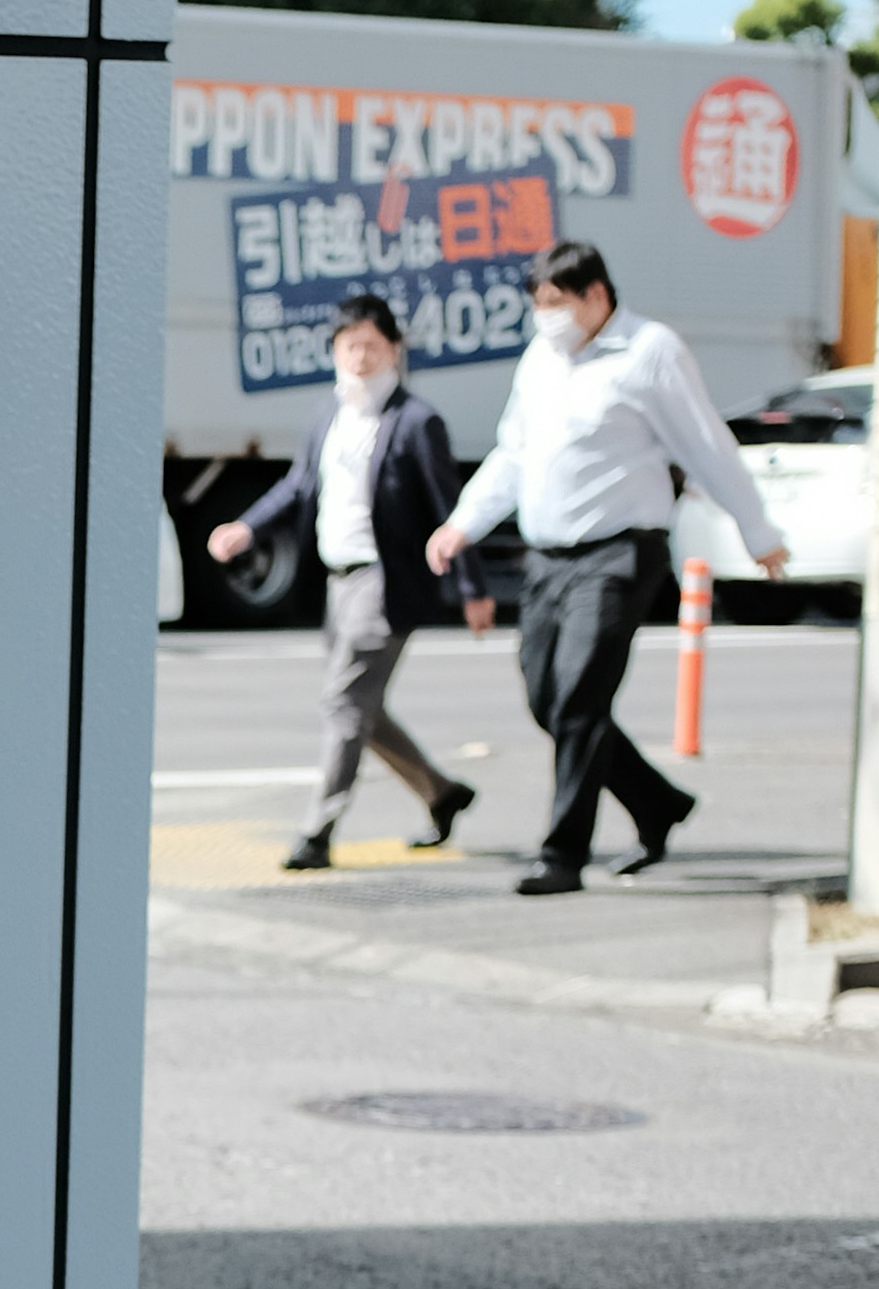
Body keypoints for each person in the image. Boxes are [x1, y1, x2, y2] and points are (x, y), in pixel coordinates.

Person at [425, 241, 789, 893]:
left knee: (579, 698)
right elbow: (513, 453)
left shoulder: (650, 352)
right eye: (538, 304)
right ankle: (656, 803)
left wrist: (757, 531)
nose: (546, 316)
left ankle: (562, 855)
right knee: (548, 700)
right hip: (547, 557)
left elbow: (704, 444)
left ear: (596, 295)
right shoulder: (541, 359)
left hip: (618, 553)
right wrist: (462, 523)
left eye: (556, 302)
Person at [204, 291, 482, 873]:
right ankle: (440, 792)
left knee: (343, 703)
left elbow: (448, 508)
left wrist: (472, 588)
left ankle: (317, 831)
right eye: (349, 346)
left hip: (386, 580)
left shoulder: (416, 421)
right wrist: (247, 528)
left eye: (371, 346)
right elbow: (299, 485)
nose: (359, 358)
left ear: (395, 350)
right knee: (361, 708)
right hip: (338, 580)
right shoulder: (329, 415)